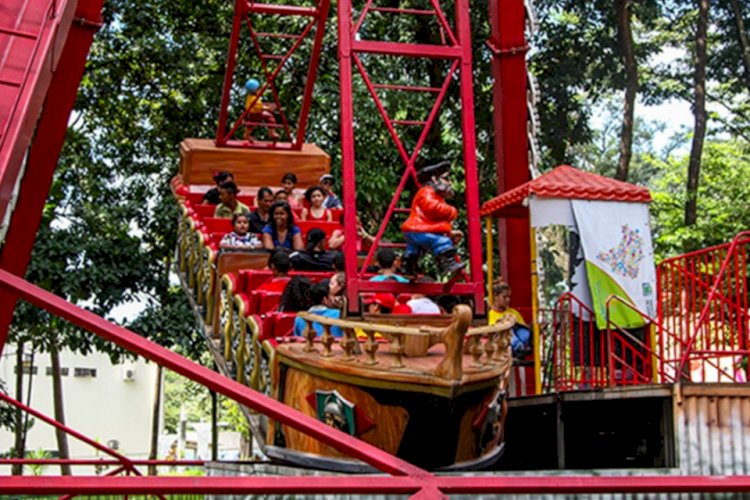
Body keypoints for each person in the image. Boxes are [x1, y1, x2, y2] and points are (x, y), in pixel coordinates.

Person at [401, 160, 464, 276]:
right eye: (446, 179)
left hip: (415, 230)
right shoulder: (427, 192)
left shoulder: (429, 194)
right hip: (420, 230)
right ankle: (448, 265)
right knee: (442, 242)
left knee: (414, 250)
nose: (449, 183)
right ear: (435, 179)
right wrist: (451, 211)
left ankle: (408, 268)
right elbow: (433, 208)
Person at [488, 281, 531, 356]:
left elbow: (524, 327)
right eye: (504, 297)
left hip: (519, 340)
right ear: (495, 296)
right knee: (507, 331)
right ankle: (518, 347)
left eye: (509, 297)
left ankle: (520, 347)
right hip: (501, 343)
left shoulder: (513, 312)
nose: (508, 300)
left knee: (523, 332)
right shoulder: (489, 314)